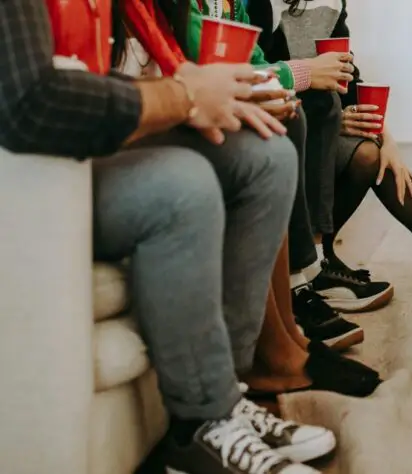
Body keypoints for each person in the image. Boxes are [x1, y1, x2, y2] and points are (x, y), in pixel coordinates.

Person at [1, 1, 338, 473]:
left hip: (90, 150)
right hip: (32, 182)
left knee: (267, 158)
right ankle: (200, 424)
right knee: (181, 184)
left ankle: (229, 390)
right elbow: (26, 103)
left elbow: (110, 74)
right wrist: (182, 96)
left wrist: (210, 97)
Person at [246, 0, 412, 303]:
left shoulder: (332, 3)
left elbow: (349, 79)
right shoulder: (258, 6)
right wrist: (334, 118)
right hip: (281, 122)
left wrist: (387, 139)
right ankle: (318, 259)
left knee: (370, 156)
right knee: (340, 126)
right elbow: (258, 74)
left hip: (320, 129)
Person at [158, 0, 388, 349]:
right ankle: (306, 274)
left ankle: (309, 273)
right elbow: (203, 62)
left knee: (314, 118)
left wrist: (389, 138)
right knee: (306, 111)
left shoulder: (240, 4)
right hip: (194, 111)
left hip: (242, 102)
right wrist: (302, 73)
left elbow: (256, 63)